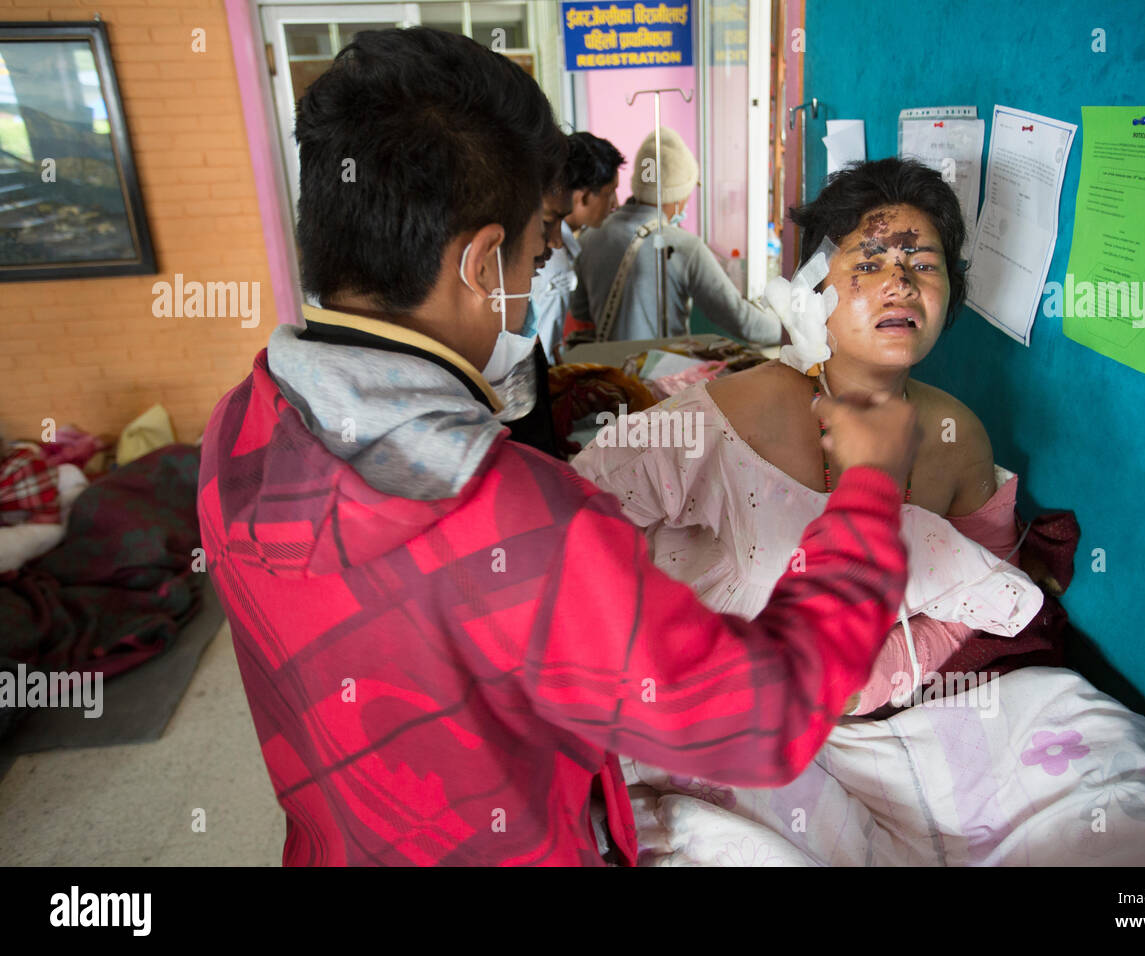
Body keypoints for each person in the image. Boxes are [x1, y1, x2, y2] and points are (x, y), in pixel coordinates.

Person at [196, 26, 920, 867]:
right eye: (538, 254)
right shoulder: (523, 521)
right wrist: (870, 490)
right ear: (479, 265)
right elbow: (765, 719)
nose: (539, 285)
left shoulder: (238, 425)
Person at [574, 157, 1008, 719]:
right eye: (870, 263)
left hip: (876, 722)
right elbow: (574, 520)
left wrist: (882, 673)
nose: (900, 284)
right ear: (812, 286)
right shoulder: (730, 417)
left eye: (923, 264)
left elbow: (986, 595)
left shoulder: (960, 438)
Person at [570, 127, 780, 345]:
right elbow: (742, 321)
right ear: (678, 196)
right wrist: (785, 329)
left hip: (608, 374)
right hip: (662, 374)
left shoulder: (590, 236)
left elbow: (581, 312)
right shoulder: (684, 247)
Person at [529, 132, 624, 364]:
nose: (615, 204)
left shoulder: (566, 244)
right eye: (609, 193)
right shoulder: (547, 253)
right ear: (582, 196)